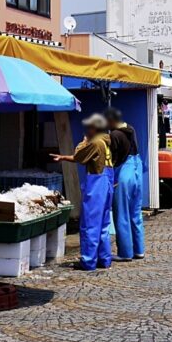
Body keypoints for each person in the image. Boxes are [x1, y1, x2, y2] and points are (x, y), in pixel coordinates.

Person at [51, 114, 114, 271]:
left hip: (97, 184)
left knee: (90, 224)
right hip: (107, 183)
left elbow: (79, 156)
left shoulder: (95, 142)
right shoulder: (106, 142)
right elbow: (83, 158)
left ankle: (88, 261)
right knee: (103, 224)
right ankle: (104, 259)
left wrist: (84, 141)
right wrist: (64, 157)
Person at [105, 108, 145, 262]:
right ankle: (139, 250)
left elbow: (114, 158)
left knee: (121, 213)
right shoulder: (131, 129)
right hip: (137, 168)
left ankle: (125, 253)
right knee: (136, 212)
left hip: (124, 172)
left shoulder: (114, 135)